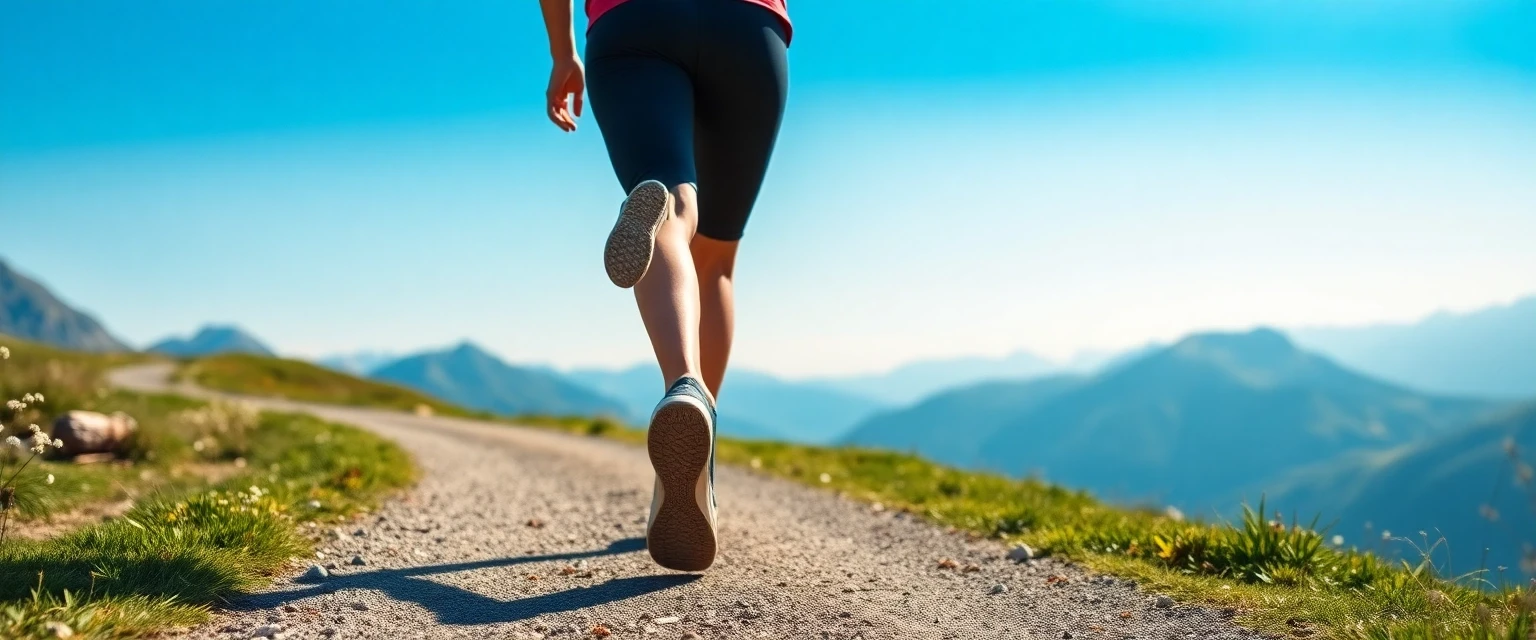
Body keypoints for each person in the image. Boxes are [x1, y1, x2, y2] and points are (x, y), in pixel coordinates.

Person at [537, 0, 791, 571]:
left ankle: (685, 385)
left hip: (633, 25)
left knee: (672, 206)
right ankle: (700, 444)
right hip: (746, 28)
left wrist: (563, 53)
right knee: (718, 259)